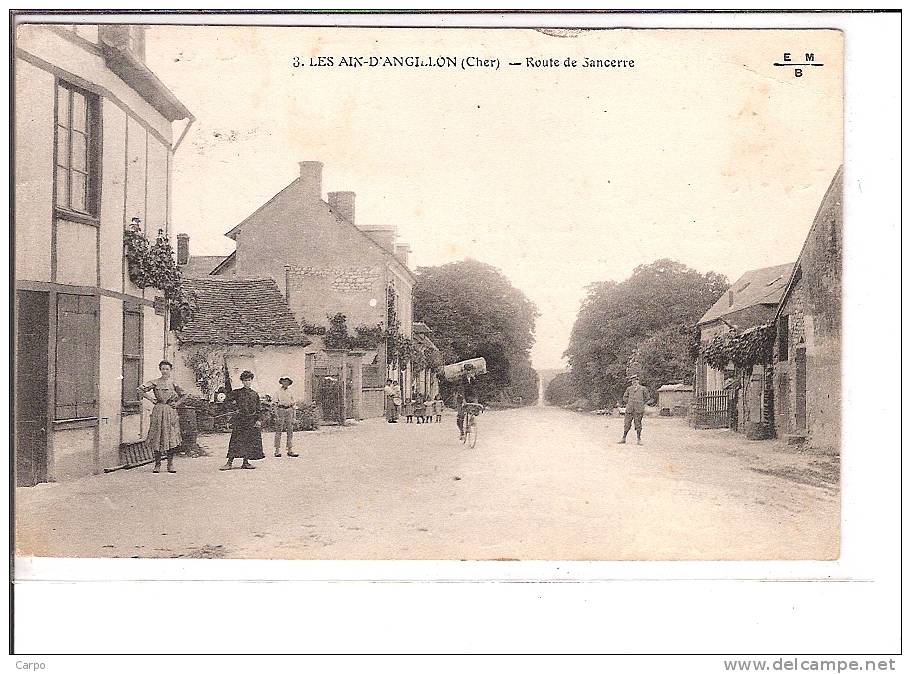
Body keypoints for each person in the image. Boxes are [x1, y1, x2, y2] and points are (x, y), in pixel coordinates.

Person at [138, 360, 188, 474]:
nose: (165, 371)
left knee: (170, 436)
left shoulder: (173, 383)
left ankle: (170, 464)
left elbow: (185, 394)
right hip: (158, 411)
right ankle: (157, 464)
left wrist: (177, 403)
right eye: (163, 369)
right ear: (160, 370)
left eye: (167, 369)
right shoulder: (155, 382)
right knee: (157, 436)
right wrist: (151, 399)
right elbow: (140, 389)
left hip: (170, 411)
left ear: (170, 370)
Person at [220, 371, 266, 470]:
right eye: (245, 380)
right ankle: (229, 463)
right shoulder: (237, 392)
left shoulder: (255, 394)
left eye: (249, 380)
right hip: (240, 420)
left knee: (249, 441)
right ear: (242, 381)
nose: (247, 382)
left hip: (251, 420)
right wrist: (234, 409)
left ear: (251, 381)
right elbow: (226, 402)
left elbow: (258, 409)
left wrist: (258, 420)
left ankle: (245, 462)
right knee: (235, 441)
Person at [273, 376, 299, 458]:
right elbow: (275, 404)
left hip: (289, 410)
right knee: (279, 430)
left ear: (289, 383)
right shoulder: (278, 392)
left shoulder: (291, 392)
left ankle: (290, 449)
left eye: (287, 381)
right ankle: (277, 450)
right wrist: (276, 415)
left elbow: (294, 404)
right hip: (281, 410)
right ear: (281, 382)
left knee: (290, 431)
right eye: (284, 381)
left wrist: (294, 416)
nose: (285, 383)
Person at [619, 374, 648, 445]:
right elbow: (624, 397)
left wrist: (641, 403)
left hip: (638, 409)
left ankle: (639, 439)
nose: (634, 382)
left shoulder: (643, 389)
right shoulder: (629, 389)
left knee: (638, 424)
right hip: (629, 409)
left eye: (635, 380)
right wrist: (629, 402)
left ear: (638, 381)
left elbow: (647, 398)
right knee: (626, 424)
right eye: (632, 381)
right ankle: (623, 438)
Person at [454, 364, 480, 441]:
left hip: (470, 397)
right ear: (464, 371)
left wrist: (476, 401)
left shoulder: (473, 379)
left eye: (470, 370)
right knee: (460, 416)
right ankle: (462, 432)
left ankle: (471, 421)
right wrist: (463, 400)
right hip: (461, 397)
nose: (469, 372)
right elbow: (460, 390)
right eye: (467, 370)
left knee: (475, 408)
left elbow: (475, 390)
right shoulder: (461, 379)